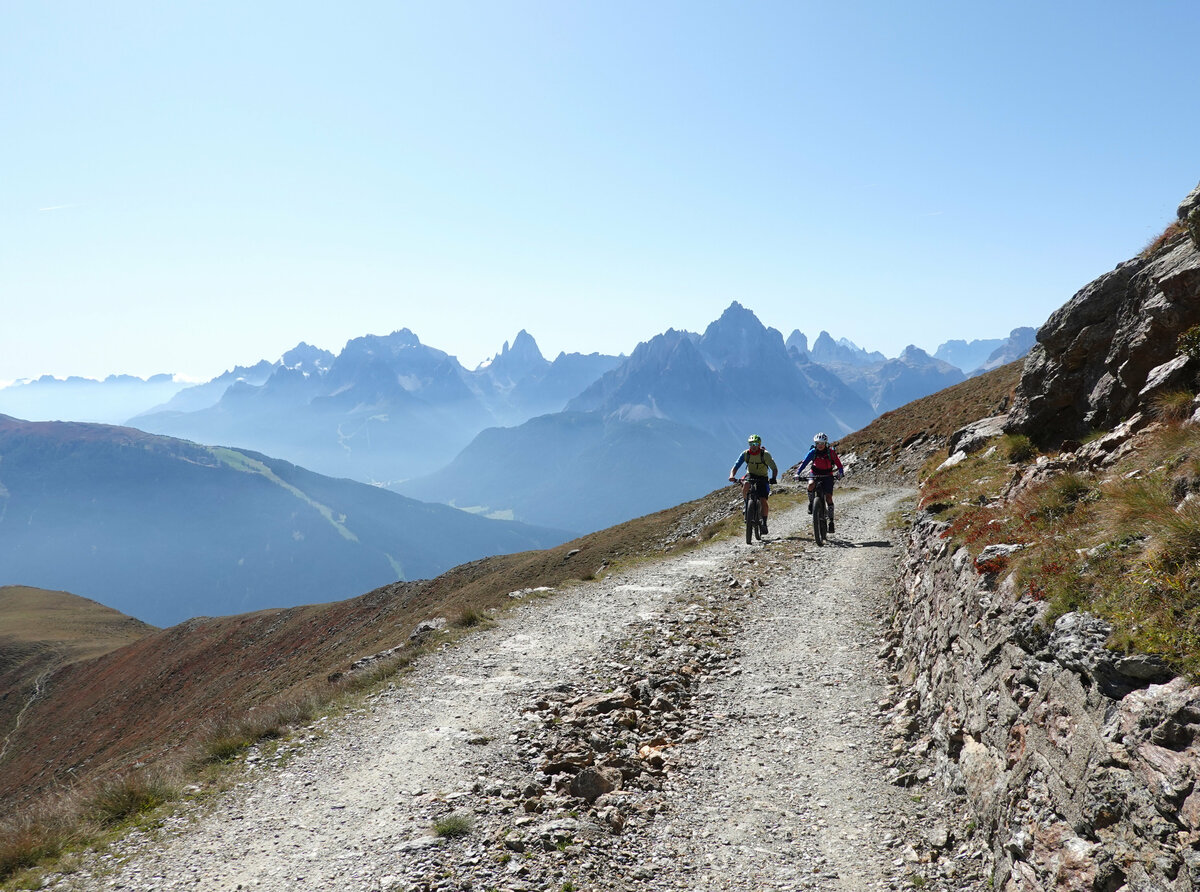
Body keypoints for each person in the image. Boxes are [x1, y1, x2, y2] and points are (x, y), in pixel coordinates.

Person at [729, 434, 778, 535]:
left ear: (759, 444)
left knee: (763, 500)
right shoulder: (745, 454)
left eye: (755, 444)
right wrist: (732, 475)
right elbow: (736, 466)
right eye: (751, 444)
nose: (753, 446)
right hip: (750, 475)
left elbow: (774, 468)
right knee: (746, 484)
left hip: (762, 477)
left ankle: (764, 522)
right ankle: (746, 504)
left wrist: (773, 478)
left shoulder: (765, 454)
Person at [795, 432, 844, 532]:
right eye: (818, 443)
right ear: (815, 443)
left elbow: (839, 464)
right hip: (815, 473)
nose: (820, 445)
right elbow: (804, 463)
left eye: (822, 443)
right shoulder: (813, 452)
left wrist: (841, 472)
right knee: (810, 485)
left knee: (829, 497)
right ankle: (811, 503)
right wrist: (797, 473)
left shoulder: (831, 452)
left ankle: (831, 521)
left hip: (827, 474)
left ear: (825, 443)